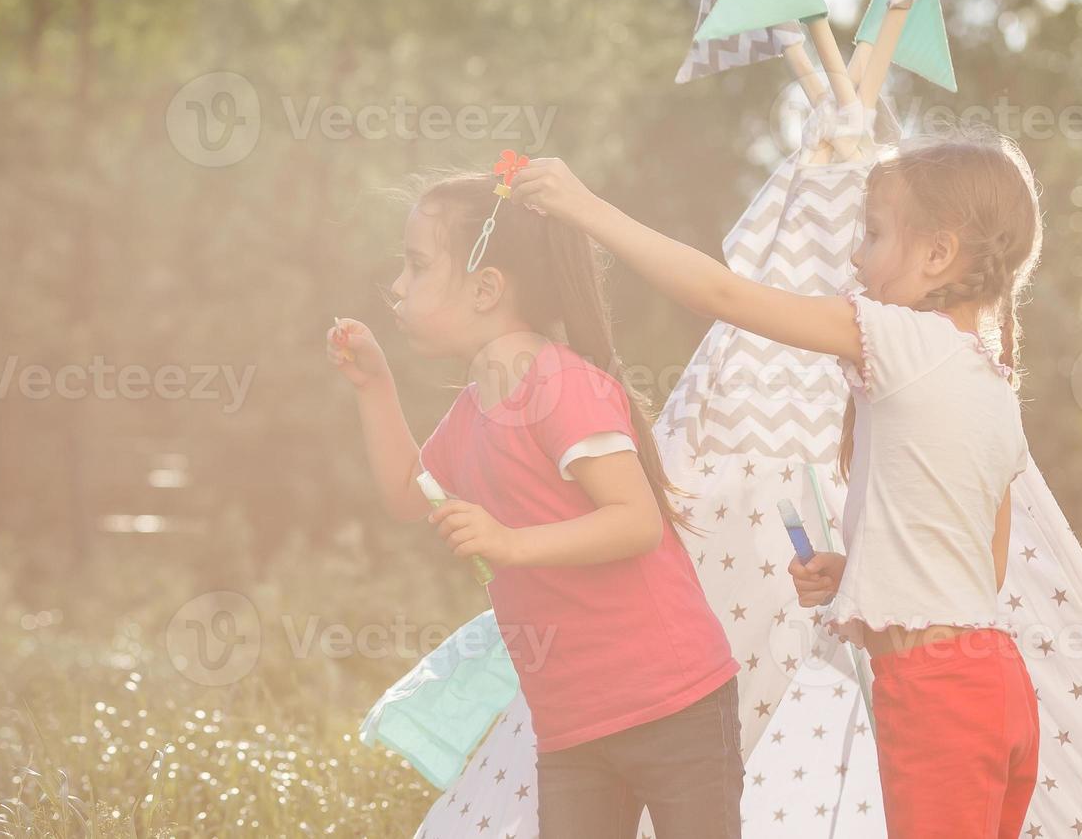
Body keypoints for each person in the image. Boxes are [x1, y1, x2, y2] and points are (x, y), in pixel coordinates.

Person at [510, 137, 1043, 838]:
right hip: (996, 681)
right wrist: (861, 573)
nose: (856, 256)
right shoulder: (996, 385)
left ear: (937, 255)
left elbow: (721, 293)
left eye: (873, 233)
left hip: (935, 691)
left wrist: (585, 209)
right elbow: (981, 567)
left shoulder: (901, 339)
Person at [326, 171, 743, 838]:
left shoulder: (557, 384)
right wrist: (374, 387)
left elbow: (634, 521)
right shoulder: (473, 409)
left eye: (416, 265)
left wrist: (512, 543)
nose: (396, 287)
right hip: (573, 722)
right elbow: (409, 492)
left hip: (672, 700)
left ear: (487, 287)